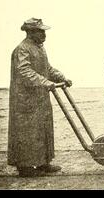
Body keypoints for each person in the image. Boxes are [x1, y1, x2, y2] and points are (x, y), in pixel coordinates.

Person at [8, 18, 72, 177]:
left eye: (44, 31)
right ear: (30, 32)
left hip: (40, 97)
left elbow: (47, 69)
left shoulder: (39, 48)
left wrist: (61, 78)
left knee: (43, 129)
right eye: (41, 31)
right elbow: (24, 72)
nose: (44, 34)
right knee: (27, 132)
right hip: (25, 100)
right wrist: (45, 82)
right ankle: (25, 167)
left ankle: (44, 162)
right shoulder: (22, 49)